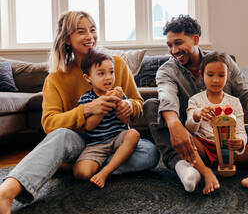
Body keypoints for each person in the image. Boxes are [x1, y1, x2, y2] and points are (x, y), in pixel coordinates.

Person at [0, 11, 159, 214]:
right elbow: (49, 123)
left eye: (92, 30)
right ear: (67, 38)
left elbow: (137, 101)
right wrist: (86, 110)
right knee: (60, 135)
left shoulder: (116, 64)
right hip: (81, 141)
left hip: (116, 139)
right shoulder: (56, 78)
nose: (90, 36)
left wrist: (130, 107)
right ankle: (6, 193)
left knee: (150, 153)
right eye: (81, 31)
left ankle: (78, 167)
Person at [143, 14, 248, 194]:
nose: (173, 50)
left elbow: (246, 91)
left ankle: (225, 160)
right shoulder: (167, 70)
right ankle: (184, 166)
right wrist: (174, 125)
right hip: (192, 134)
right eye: (170, 45)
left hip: (227, 132)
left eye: (178, 43)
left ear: (195, 39)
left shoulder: (223, 62)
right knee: (151, 106)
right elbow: (167, 98)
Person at [185, 52, 248, 195]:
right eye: (210, 75)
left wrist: (240, 142)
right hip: (206, 148)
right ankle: (206, 172)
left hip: (231, 150)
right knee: (184, 137)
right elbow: (189, 127)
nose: (215, 80)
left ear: (228, 76)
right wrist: (197, 115)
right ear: (202, 75)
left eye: (221, 75)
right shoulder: (195, 100)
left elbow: (240, 129)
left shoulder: (234, 102)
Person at [73, 50, 143, 188]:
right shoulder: (86, 99)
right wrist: (102, 106)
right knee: (81, 174)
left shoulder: (119, 95)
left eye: (111, 72)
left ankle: (105, 171)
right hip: (97, 144)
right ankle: (104, 163)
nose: (108, 77)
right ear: (88, 78)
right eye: (101, 73)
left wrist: (122, 106)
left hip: (118, 138)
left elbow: (125, 122)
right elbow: (89, 127)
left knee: (134, 134)